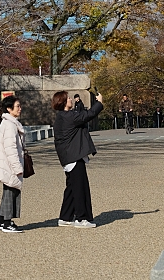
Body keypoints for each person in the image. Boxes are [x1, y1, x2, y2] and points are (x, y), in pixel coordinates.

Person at [53, 90, 104, 227]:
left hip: (69, 156)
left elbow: (82, 115)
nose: (70, 99)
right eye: (68, 98)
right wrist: (99, 102)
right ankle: (81, 218)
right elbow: (88, 115)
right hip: (73, 156)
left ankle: (65, 216)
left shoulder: (62, 117)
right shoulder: (68, 116)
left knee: (71, 187)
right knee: (80, 187)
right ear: (64, 102)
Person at [0, 95, 25, 232]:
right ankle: (7, 222)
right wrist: (17, 167)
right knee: (11, 192)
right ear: (9, 109)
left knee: (8, 191)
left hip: (6, 164)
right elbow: (11, 149)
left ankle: (0, 220)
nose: (20, 109)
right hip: (9, 164)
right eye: (17, 106)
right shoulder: (10, 125)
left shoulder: (8, 123)